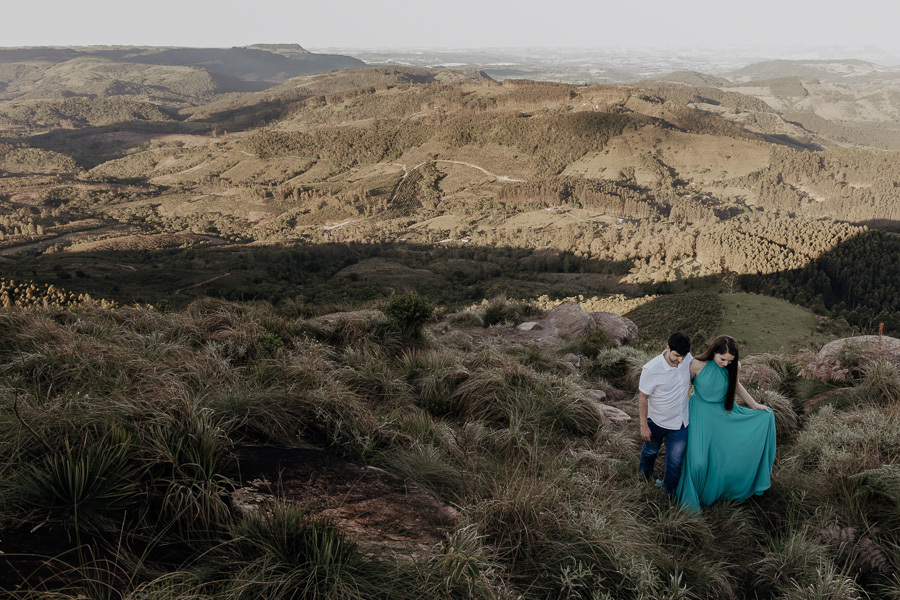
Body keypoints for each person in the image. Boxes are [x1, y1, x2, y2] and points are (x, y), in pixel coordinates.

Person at [676, 335, 776, 513]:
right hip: (700, 413)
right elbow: (681, 388)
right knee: (698, 462)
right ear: (714, 352)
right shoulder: (697, 365)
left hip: (724, 413)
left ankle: (722, 493)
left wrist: (754, 405)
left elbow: (735, 385)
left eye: (729, 361)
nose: (725, 364)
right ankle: (693, 497)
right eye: (722, 359)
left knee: (724, 458)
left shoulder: (734, 366)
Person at [638, 332, 692, 501]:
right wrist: (643, 426)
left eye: (683, 356)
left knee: (675, 463)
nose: (680, 360)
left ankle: (668, 494)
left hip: (679, 424)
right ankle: (644, 479)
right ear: (668, 348)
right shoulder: (651, 369)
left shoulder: (687, 358)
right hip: (656, 422)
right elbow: (642, 397)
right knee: (650, 452)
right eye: (676, 356)